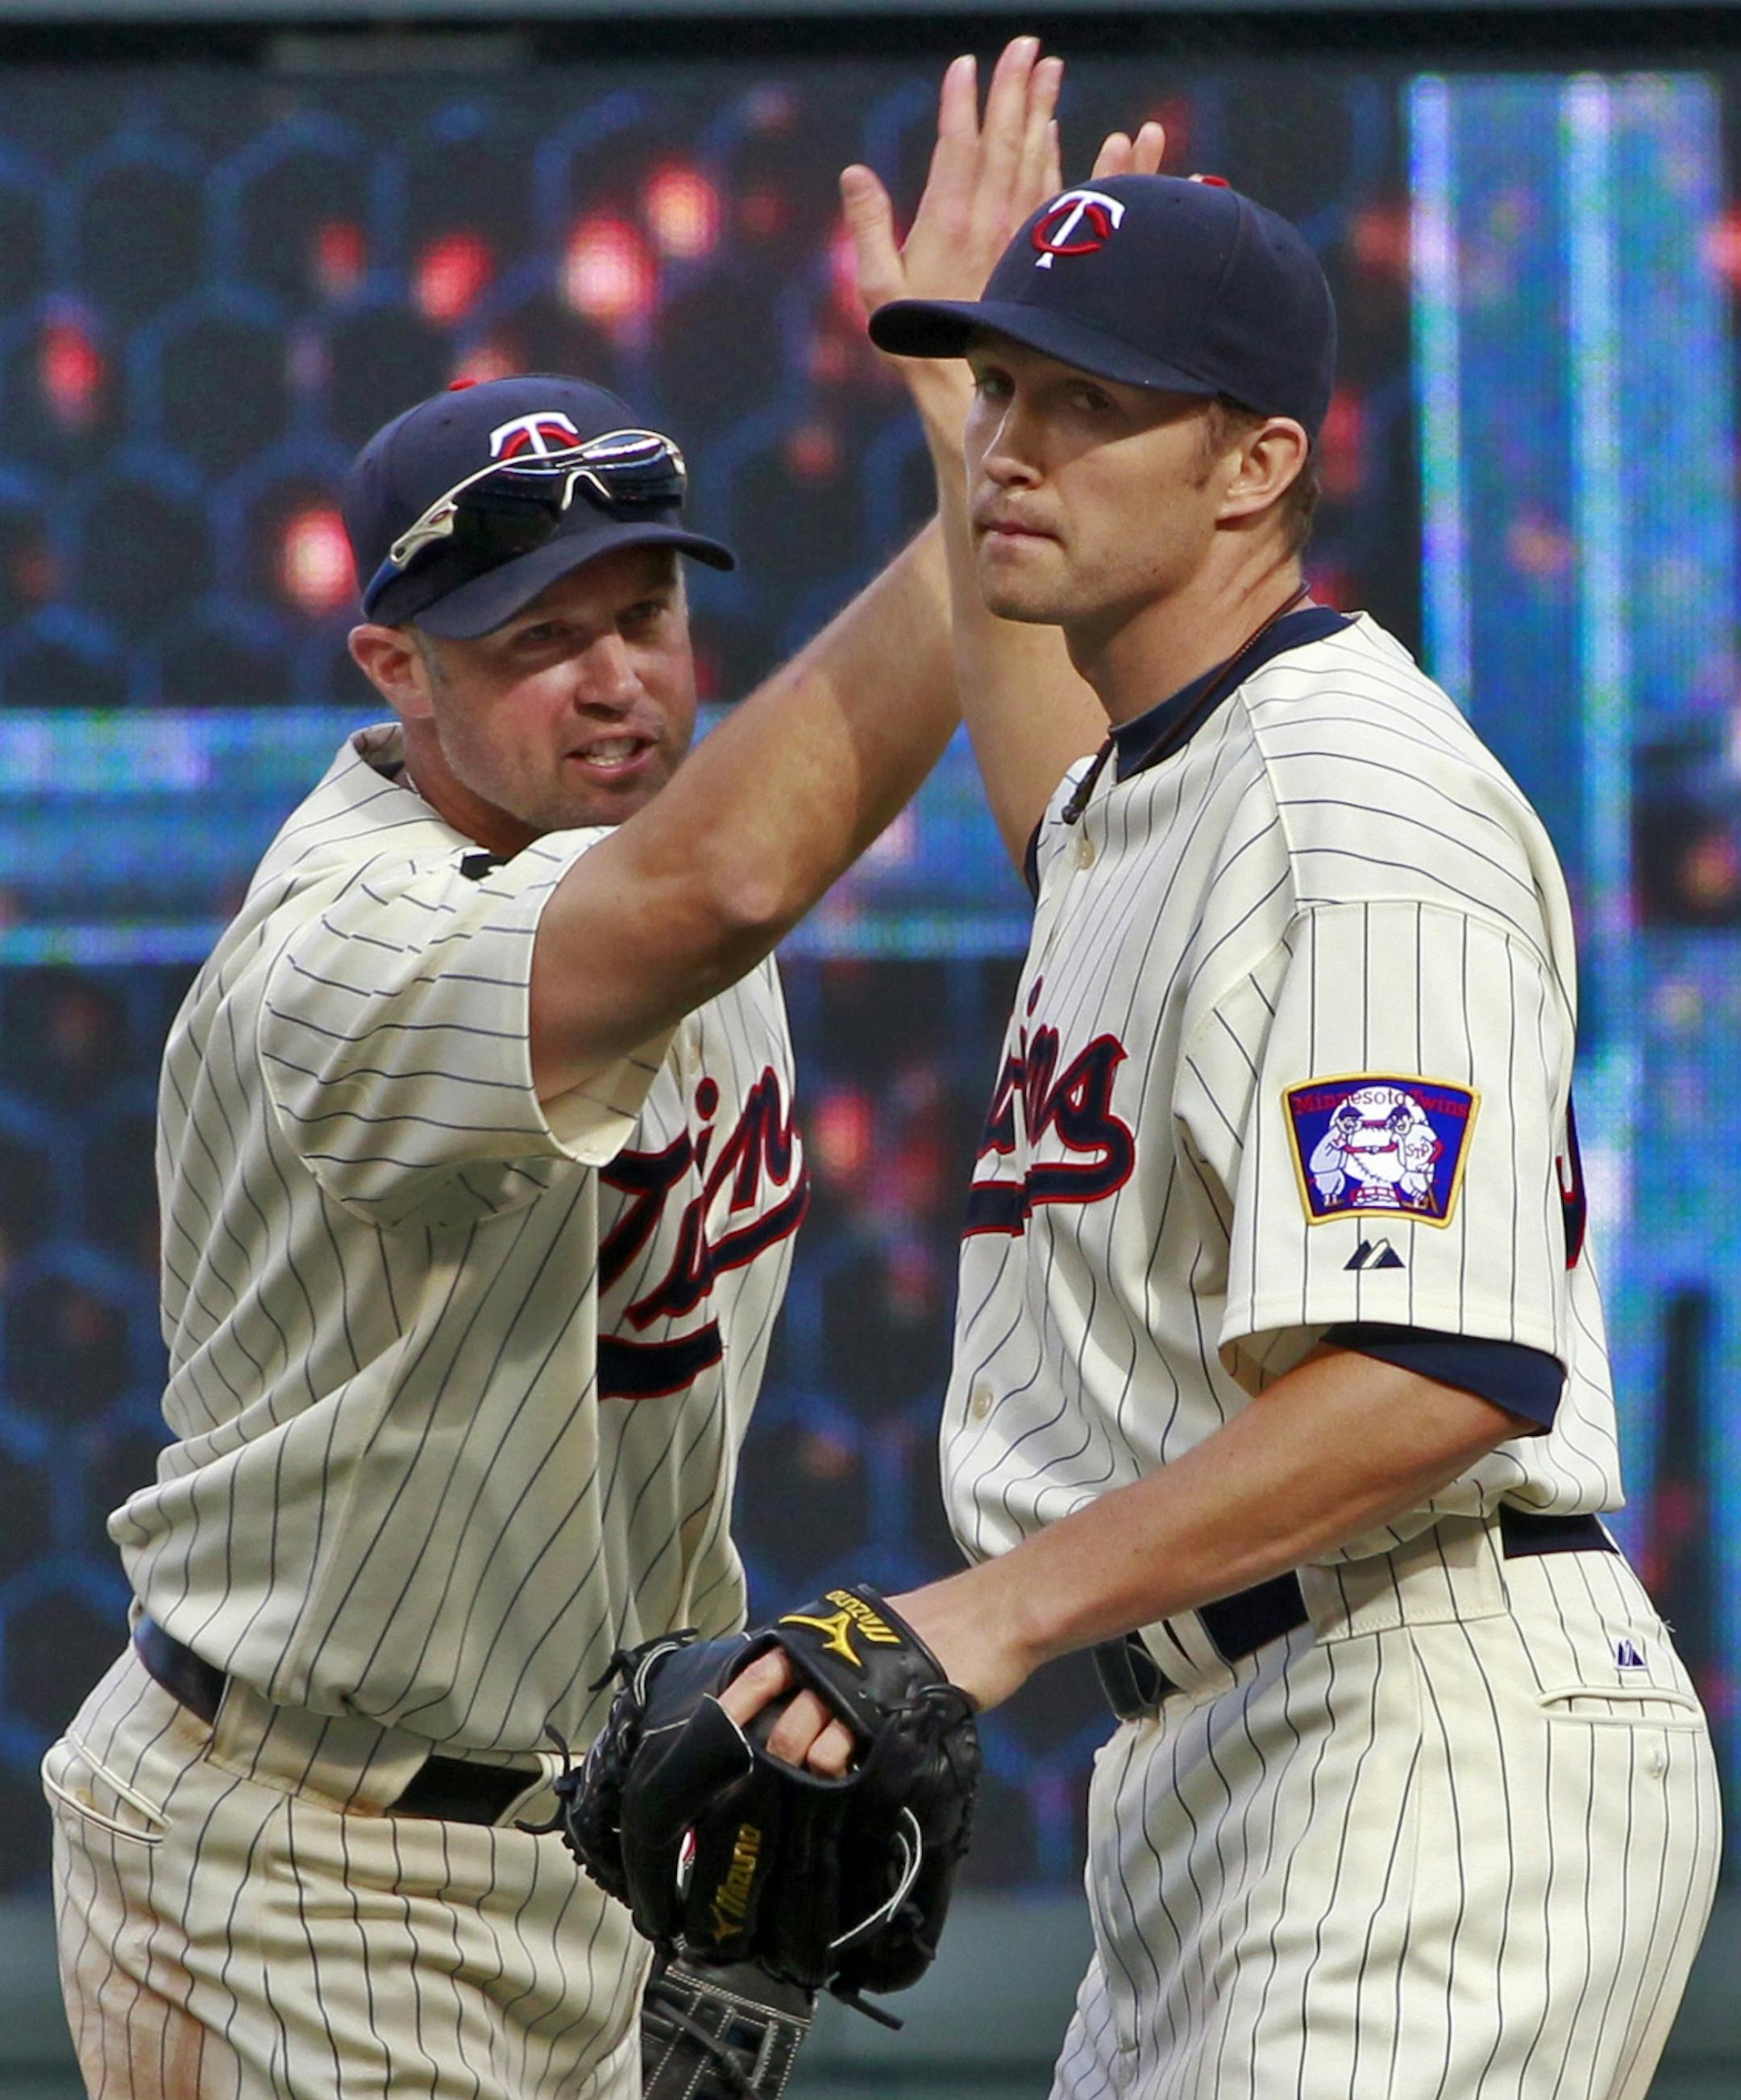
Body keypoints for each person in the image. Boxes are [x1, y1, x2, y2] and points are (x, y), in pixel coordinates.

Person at [724, 79, 1722, 2100]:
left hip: (1426, 1719)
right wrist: (959, 449)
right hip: (1240, 1745)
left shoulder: (1357, 797)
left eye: (1088, 405)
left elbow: (1439, 1363)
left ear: (1262, 462)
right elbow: (1062, 818)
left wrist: (980, 1617)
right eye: (1000, 391)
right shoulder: (1161, 778)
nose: (1019, 443)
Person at [39, 347, 987, 2096]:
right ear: (394, 666)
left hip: (570, 1858)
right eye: (541, 638)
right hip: (293, 1864)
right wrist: (982, 479)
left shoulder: (660, 880)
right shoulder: (346, 943)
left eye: (647, 612)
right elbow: (722, 880)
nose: (619, 681)